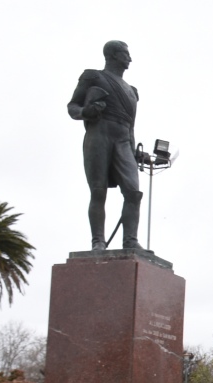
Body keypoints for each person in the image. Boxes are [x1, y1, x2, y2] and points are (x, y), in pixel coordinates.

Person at [67, 41, 144, 250]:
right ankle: (98, 241)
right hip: (99, 135)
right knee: (98, 191)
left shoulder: (132, 91)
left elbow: (131, 126)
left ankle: (130, 240)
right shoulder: (93, 76)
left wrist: (134, 151)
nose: (130, 59)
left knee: (133, 192)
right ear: (113, 55)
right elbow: (73, 105)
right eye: (125, 54)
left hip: (123, 140)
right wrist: (86, 112)